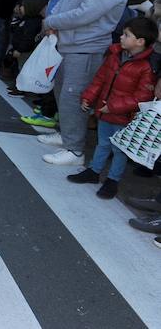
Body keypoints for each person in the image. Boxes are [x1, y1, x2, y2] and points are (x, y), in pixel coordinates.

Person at [40, 0, 138, 165]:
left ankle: (74, 150)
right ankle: (67, 136)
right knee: (63, 94)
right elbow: (68, 0)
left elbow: (86, 14)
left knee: (73, 97)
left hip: (85, 48)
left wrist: (52, 21)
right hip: (68, 44)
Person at [68, 16, 157, 199]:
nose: (121, 38)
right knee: (103, 144)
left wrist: (113, 106)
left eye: (126, 35)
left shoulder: (146, 67)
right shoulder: (115, 55)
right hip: (105, 112)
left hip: (124, 116)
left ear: (140, 42)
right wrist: (89, 96)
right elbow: (100, 78)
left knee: (119, 150)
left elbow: (142, 97)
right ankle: (94, 171)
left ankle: (112, 180)